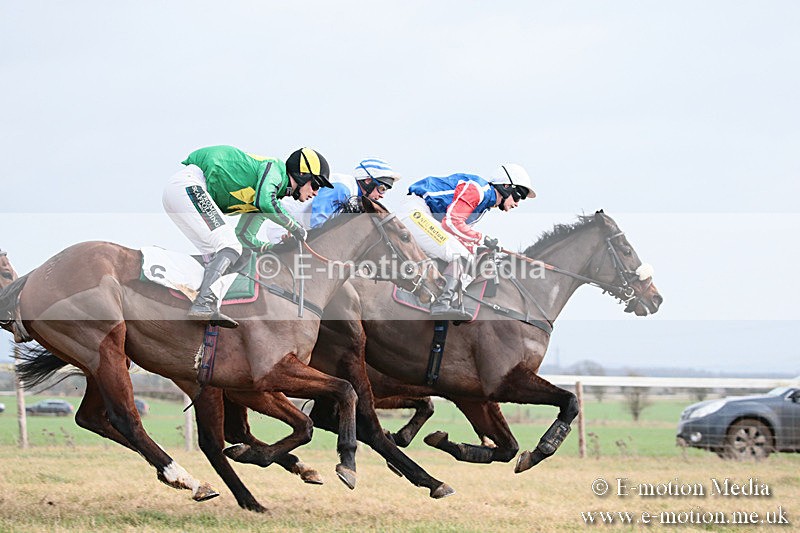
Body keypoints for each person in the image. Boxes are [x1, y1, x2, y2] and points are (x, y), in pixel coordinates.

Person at [162, 145, 332, 328]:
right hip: (189, 185)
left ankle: (186, 304)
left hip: (184, 194)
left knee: (229, 253)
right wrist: (295, 226)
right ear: (301, 175)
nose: (315, 193)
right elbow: (266, 201)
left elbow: (245, 238)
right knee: (229, 246)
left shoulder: (268, 194)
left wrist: (276, 247)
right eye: (315, 185)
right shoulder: (274, 169)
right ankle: (203, 303)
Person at [400, 164, 535, 320]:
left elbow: (459, 234)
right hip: (415, 212)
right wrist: (481, 239)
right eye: (519, 196)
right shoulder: (478, 190)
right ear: (506, 187)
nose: (517, 203)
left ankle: (449, 300)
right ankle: (441, 304)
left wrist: (479, 246)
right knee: (460, 255)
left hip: (426, 216)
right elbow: (451, 223)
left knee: (470, 258)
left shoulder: (484, 205)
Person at [261, 157, 401, 244]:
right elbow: (317, 222)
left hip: (299, 229)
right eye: (382, 188)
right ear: (368, 180)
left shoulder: (354, 195)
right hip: (283, 228)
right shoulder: (343, 188)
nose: (382, 195)